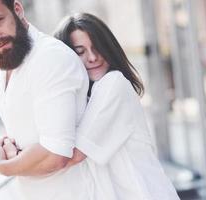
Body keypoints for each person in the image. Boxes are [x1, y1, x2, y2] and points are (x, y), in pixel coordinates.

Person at [0, 1, 94, 200]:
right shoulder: (9, 58)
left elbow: (55, 154)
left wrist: (4, 167)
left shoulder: (49, 58)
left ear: (17, 10)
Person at [53, 13, 180, 200]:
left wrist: (10, 165)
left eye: (97, 48)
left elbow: (70, 156)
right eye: (80, 52)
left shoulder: (113, 84)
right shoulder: (85, 98)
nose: (93, 57)